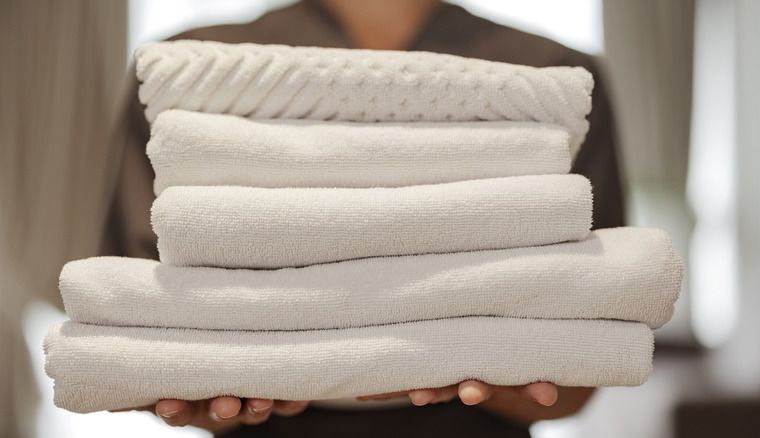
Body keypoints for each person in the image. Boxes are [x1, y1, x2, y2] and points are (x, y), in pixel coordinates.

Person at [102, 0, 625, 436]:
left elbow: (586, 349)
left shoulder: (544, 73)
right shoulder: (193, 75)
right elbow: (142, 309)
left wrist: (514, 380)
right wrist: (192, 386)